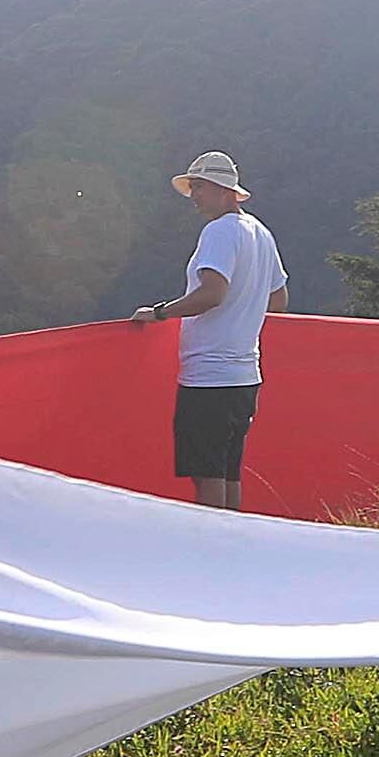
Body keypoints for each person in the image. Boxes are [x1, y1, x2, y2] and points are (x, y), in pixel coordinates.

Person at [125, 149, 287, 507]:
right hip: (246, 374)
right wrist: (244, 313)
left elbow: (212, 293)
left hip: (210, 377)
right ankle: (232, 552)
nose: (194, 196)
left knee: (207, 475)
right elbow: (279, 299)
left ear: (221, 189)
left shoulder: (219, 232)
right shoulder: (260, 232)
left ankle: (212, 554)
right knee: (228, 471)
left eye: (198, 187)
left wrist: (160, 313)